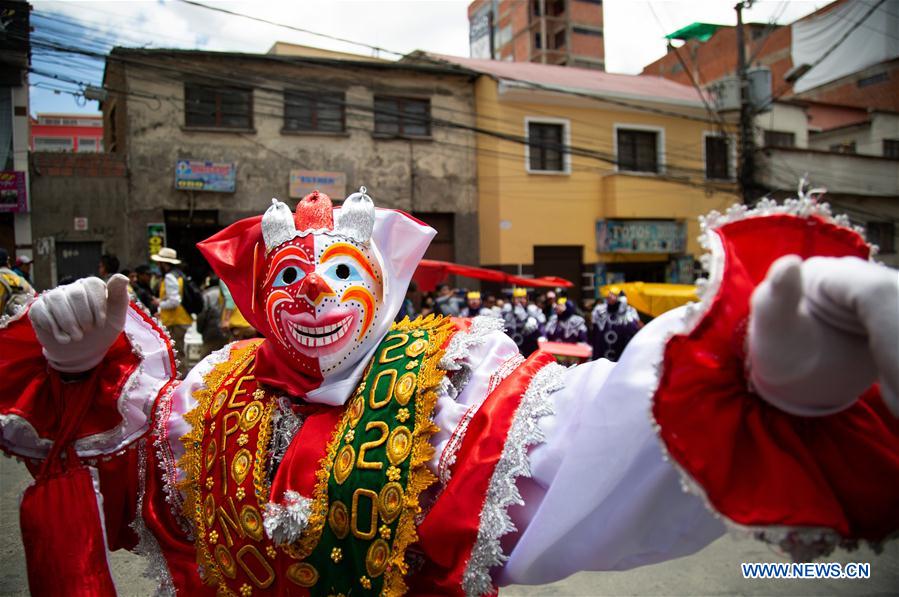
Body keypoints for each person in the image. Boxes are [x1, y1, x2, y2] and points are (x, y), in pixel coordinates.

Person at [1, 189, 897, 596]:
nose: (311, 294)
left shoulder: (451, 385)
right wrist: (79, 382)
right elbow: (112, 506)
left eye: (340, 271)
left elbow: (596, 435)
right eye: (287, 274)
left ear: (386, 279)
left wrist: (755, 373)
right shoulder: (205, 391)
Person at [150, 246, 192, 374]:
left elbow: (174, 301)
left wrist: (159, 303)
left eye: (159, 262)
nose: (158, 265)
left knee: (177, 353)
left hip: (175, 321)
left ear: (164, 263)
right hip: (177, 319)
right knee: (177, 351)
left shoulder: (169, 277)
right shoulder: (178, 275)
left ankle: (181, 379)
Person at [590, 288, 642, 361]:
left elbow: (633, 332)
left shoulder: (630, 312)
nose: (610, 296)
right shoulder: (599, 311)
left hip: (622, 355)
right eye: (609, 294)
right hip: (602, 355)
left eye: (614, 294)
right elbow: (595, 334)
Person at [502, 287, 545, 356]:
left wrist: (534, 324)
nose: (521, 301)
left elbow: (541, 331)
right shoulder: (506, 313)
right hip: (512, 351)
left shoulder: (532, 311)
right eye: (518, 298)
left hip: (529, 350)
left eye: (523, 298)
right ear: (512, 299)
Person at [0, 248, 33, 317]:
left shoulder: (25, 276)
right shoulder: (15, 276)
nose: (29, 267)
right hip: (25, 315)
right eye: (26, 265)